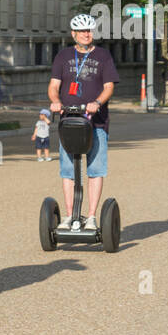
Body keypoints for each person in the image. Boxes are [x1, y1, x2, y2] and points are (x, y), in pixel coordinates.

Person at [48, 13, 119, 231]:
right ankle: (69, 216)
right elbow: (53, 86)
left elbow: (109, 86)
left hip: (95, 123)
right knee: (68, 170)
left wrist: (97, 102)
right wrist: (55, 102)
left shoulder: (103, 56)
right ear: (74, 34)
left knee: (95, 169)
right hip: (69, 121)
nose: (86, 34)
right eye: (82, 31)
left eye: (89, 30)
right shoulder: (63, 56)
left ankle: (91, 217)